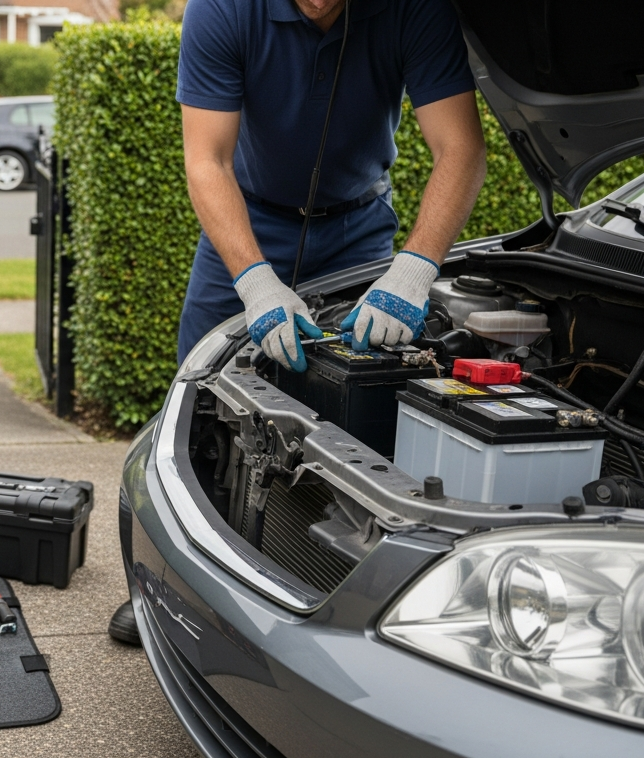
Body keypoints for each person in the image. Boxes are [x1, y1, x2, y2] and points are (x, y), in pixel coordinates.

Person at [110, 0, 487, 646]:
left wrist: (414, 270)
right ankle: (162, 589)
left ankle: (339, 617)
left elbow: (461, 146)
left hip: (361, 229)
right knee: (195, 410)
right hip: (250, 223)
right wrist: (255, 282)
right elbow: (207, 161)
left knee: (365, 423)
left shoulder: (413, 10)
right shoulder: (222, 10)